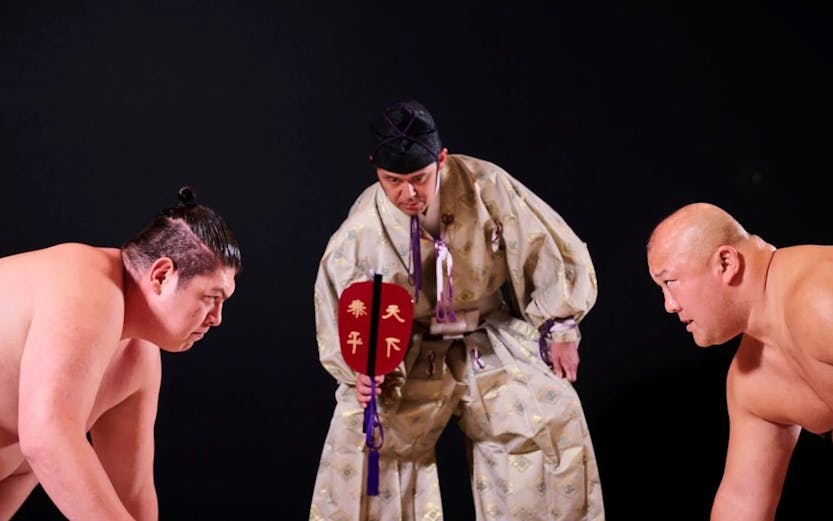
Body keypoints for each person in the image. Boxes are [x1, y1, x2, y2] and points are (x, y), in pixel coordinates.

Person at [309, 99, 604, 520]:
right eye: (393, 180)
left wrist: (561, 326)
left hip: (488, 333)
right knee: (365, 436)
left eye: (419, 179)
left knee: (552, 411)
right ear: (374, 167)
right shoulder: (361, 231)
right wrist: (361, 371)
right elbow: (343, 311)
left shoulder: (487, 185)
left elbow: (543, 242)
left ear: (441, 160)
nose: (407, 193)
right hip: (406, 353)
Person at [0, 186, 241, 521]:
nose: (216, 319)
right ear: (161, 275)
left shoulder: (138, 356)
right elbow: (46, 436)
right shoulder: (90, 285)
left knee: (26, 460)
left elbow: (131, 492)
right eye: (211, 298)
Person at [646, 201, 833, 520]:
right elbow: (741, 505)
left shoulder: (820, 297)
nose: (669, 305)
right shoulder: (752, 382)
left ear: (726, 263)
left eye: (671, 282)